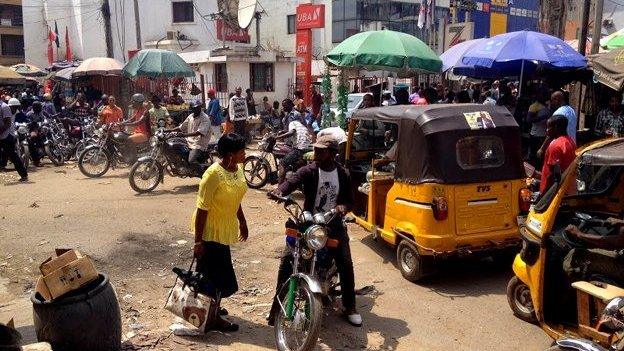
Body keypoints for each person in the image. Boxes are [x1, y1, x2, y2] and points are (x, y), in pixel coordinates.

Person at [267, 135, 361, 327]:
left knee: (345, 262)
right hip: (308, 221)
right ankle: (277, 309)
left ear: (333, 154)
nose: (316, 153)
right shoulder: (309, 170)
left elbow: (350, 201)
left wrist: (342, 208)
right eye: (315, 149)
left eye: (321, 151)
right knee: (287, 260)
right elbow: (291, 181)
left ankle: (350, 306)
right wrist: (279, 191)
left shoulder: (343, 173)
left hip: (332, 223)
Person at [192, 133, 248, 333]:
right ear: (231, 154)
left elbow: (236, 196)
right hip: (210, 230)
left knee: (215, 272)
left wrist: (242, 220)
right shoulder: (213, 174)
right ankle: (212, 318)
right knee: (215, 274)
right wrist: (198, 242)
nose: (245, 153)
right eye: (242, 151)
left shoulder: (238, 168)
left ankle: (211, 308)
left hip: (225, 227)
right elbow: (202, 209)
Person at [274, 99, 312, 183]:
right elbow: (289, 130)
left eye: (285, 105)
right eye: (282, 105)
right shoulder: (286, 115)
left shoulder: (296, 115)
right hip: (291, 141)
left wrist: (277, 137)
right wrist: (281, 132)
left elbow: (294, 130)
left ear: (291, 105)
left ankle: (280, 189)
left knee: (283, 162)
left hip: (297, 144)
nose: (283, 107)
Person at [170, 100, 211, 174]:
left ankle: (203, 175)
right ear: (191, 108)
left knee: (191, 161)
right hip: (189, 140)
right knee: (173, 144)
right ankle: (181, 165)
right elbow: (181, 127)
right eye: (195, 108)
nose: (198, 109)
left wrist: (184, 135)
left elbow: (200, 132)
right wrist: (168, 131)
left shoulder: (205, 118)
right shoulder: (191, 116)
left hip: (199, 143)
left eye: (198, 107)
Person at [538, 115, 577, 194]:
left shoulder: (555, 145)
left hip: (554, 191)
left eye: (549, 127)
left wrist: (544, 194)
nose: (546, 130)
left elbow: (552, 174)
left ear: (556, 127)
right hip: (567, 187)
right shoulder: (570, 141)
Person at [0, 98, 28, 181]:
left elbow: (7, 123)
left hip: (6, 135)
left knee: (13, 156)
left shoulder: (4, 107)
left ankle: (24, 175)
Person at [526, 87, 551, 168]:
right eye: (544, 94)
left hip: (544, 135)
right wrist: (543, 117)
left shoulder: (547, 105)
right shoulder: (534, 106)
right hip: (536, 136)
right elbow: (529, 119)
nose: (546, 96)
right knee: (535, 156)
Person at [26, 101, 47, 167]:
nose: (40, 108)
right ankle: (36, 160)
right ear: (35, 107)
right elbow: (27, 123)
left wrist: (46, 121)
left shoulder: (41, 113)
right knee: (34, 138)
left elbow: (44, 118)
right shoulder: (29, 114)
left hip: (40, 128)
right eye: (39, 107)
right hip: (32, 130)